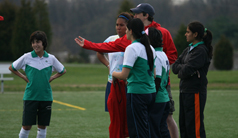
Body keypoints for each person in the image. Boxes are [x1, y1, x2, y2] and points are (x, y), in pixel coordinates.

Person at [74, 4, 179, 137]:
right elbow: (109, 46)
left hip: (145, 89)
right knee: (154, 125)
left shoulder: (152, 37)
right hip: (151, 89)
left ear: (146, 16)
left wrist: (113, 72)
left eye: (137, 14)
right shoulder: (147, 45)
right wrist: (89, 45)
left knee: (146, 125)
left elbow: (125, 74)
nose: (134, 16)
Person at [9, 31, 66, 138]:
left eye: (38, 42)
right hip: (30, 97)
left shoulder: (51, 58)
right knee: (26, 126)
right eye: (33, 42)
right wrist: (24, 77)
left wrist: (52, 78)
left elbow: (62, 70)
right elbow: (12, 67)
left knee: (42, 127)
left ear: (43, 43)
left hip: (46, 97)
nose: (35, 45)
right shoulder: (27, 57)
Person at [112, 18, 156, 138]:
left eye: (126, 29)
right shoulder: (150, 48)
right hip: (151, 93)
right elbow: (154, 74)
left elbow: (124, 75)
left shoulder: (132, 48)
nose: (125, 32)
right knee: (146, 128)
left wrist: (114, 73)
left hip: (137, 94)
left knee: (137, 131)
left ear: (131, 31)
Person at [172, 21, 213, 138]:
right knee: (184, 125)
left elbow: (186, 71)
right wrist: (183, 68)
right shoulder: (189, 49)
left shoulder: (200, 50)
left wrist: (183, 69)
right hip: (185, 91)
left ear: (195, 34)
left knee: (194, 128)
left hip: (195, 92)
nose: (185, 34)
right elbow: (175, 67)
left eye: (188, 32)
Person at [97, 12, 132, 138]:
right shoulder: (111, 39)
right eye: (117, 25)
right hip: (112, 83)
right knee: (114, 116)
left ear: (128, 27)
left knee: (129, 116)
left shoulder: (132, 42)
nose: (118, 27)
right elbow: (99, 52)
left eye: (121, 25)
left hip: (128, 84)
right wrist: (108, 65)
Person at [147, 27, 171, 138]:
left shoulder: (155, 56)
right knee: (162, 129)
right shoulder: (163, 54)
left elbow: (157, 79)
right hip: (164, 97)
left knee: (154, 130)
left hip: (158, 99)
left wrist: (151, 100)